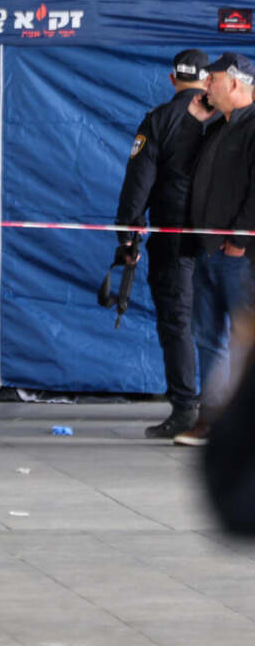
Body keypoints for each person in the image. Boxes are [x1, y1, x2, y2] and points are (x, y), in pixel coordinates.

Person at [115, 49, 210, 439]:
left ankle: (186, 408)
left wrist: (127, 236)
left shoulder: (159, 120)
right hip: (224, 240)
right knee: (224, 326)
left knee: (177, 323)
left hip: (174, 238)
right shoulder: (229, 117)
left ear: (172, 80)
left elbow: (137, 184)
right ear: (207, 80)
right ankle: (224, 412)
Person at [174, 53, 255, 446]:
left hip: (241, 258)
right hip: (206, 252)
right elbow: (182, 170)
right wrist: (194, 124)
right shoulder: (217, 128)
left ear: (236, 83)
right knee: (207, 337)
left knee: (245, 340)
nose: (205, 86)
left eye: (213, 80)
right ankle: (212, 420)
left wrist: (239, 239)